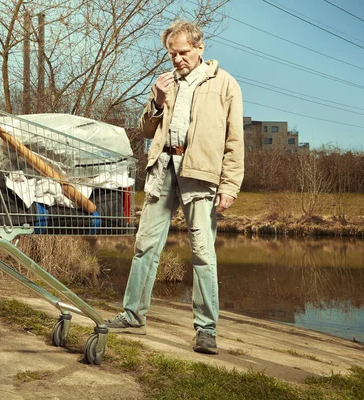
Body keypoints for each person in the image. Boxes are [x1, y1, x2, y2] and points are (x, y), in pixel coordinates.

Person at [105, 20, 244, 355]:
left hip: (200, 174)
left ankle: (206, 330)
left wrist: (230, 185)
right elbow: (147, 130)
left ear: (200, 48)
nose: (178, 59)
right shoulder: (167, 83)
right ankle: (133, 315)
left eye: (184, 52)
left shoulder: (224, 84)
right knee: (145, 247)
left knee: (203, 254)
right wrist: (156, 100)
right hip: (163, 169)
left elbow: (234, 140)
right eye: (172, 54)